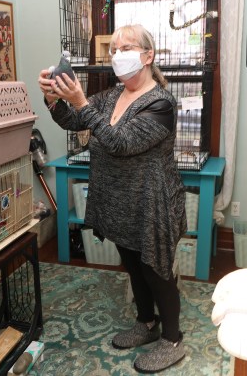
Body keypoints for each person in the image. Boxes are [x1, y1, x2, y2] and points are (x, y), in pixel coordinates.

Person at [38, 24, 187, 373]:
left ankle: (173, 338)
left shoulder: (161, 103)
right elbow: (73, 121)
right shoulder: (109, 96)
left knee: (157, 271)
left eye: (127, 47)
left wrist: (79, 101)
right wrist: (53, 98)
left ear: (148, 56)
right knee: (133, 266)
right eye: (115, 49)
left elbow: (120, 142)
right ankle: (146, 322)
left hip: (151, 203)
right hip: (118, 200)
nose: (118, 54)